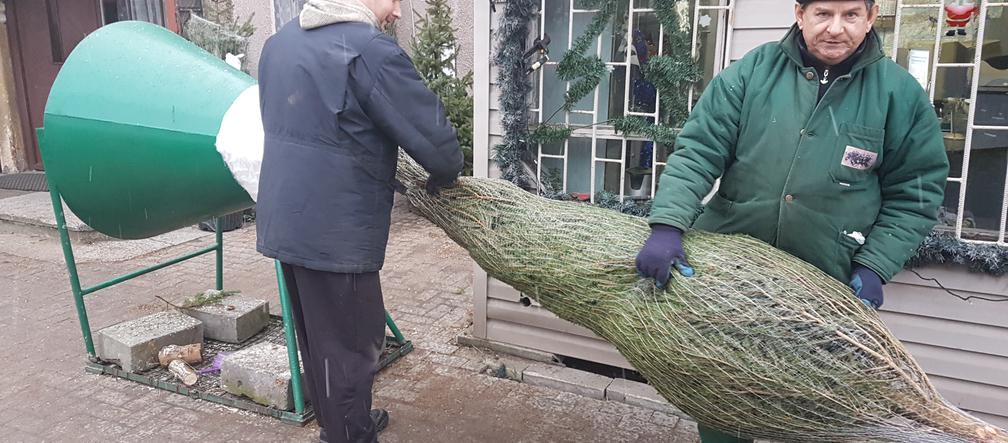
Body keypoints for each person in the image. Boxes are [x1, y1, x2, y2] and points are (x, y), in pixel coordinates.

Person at [634, 1, 949, 442]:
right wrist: (668, 224)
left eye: (850, 15)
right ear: (799, 14)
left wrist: (875, 265)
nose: (836, 29)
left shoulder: (899, 95)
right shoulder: (751, 74)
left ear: (871, 17)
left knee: (808, 402)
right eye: (823, 13)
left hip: (823, 285)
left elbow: (915, 194)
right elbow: (699, 151)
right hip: (732, 277)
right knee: (725, 390)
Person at [255, 0, 464, 441]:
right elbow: (435, 140)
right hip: (337, 231)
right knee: (350, 349)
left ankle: (344, 426)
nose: (399, 13)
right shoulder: (368, 51)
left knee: (319, 344)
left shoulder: (279, 44)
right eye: (394, 0)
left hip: (287, 218)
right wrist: (444, 175)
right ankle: (350, 435)